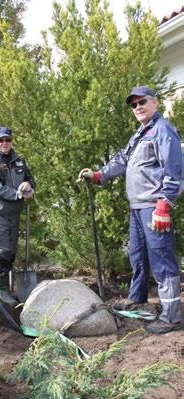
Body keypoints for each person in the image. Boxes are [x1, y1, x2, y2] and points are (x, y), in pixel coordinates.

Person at [77, 86, 183, 334]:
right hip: (137, 208)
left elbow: (175, 171)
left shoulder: (163, 130)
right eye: (133, 105)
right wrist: (98, 175)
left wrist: (163, 205)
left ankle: (171, 317)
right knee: (137, 255)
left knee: (162, 260)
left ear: (155, 102)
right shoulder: (139, 134)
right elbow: (122, 160)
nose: (138, 108)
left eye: (142, 102)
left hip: (153, 207)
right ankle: (138, 299)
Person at [0, 127, 35, 306]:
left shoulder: (18, 160)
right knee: (3, 251)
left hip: (14, 213)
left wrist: (28, 184)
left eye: (7, 140)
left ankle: (8, 288)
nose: (4, 143)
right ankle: (2, 290)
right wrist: (17, 194)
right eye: (0, 140)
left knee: (11, 251)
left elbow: (31, 180)